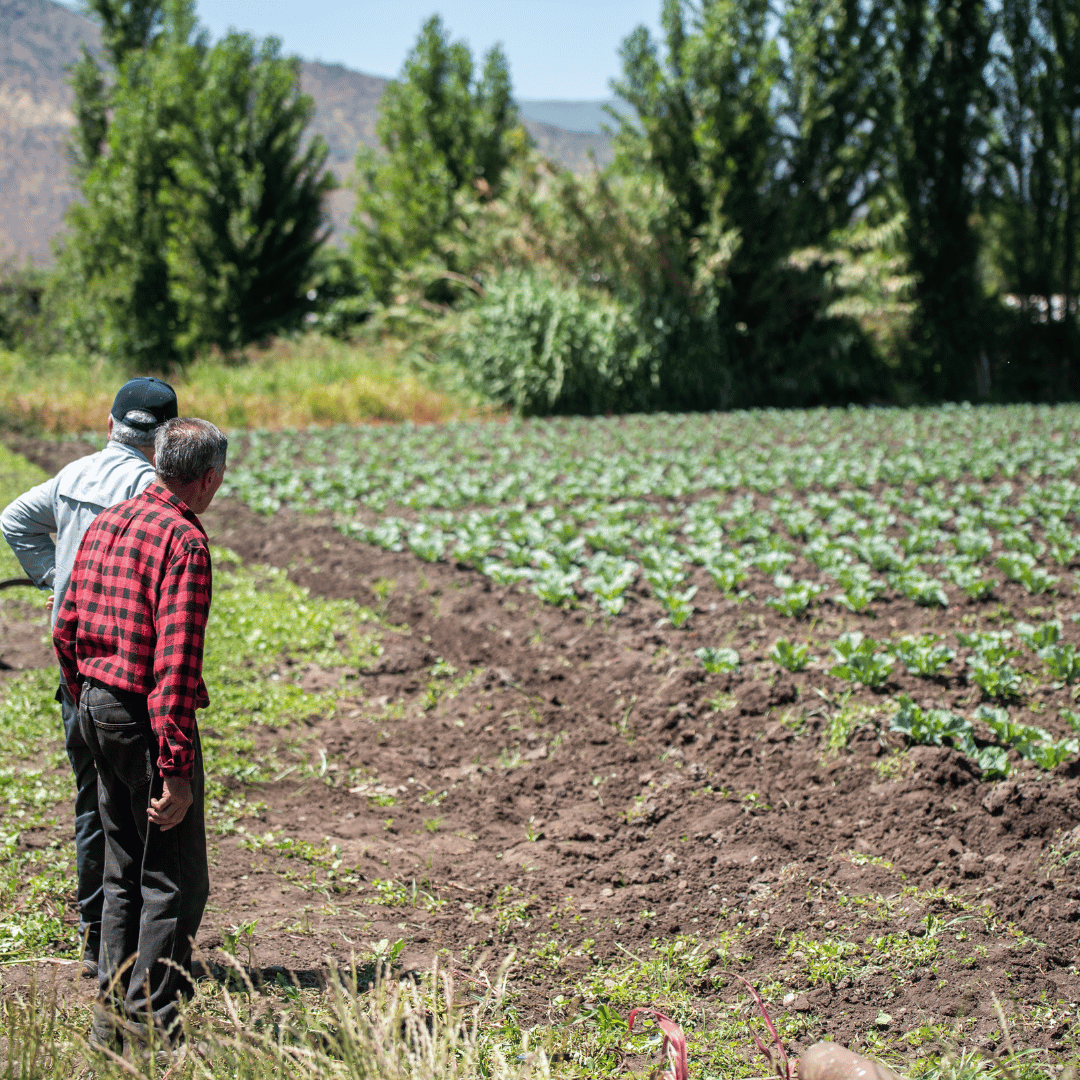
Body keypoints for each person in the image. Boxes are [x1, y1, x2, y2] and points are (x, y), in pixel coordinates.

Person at [53, 417, 227, 1050]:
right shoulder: (184, 541)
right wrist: (175, 768)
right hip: (143, 717)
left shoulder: (109, 521)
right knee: (172, 880)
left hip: (95, 708)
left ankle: (110, 1025)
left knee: (122, 868)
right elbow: (175, 665)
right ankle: (151, 1030)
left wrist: (82, 696)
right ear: (208, 477)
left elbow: (64, 624)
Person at [0, 377, 178, 976]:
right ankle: (132, 950)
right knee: (137, 806)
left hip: (72, 653)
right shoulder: (150, 489)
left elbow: (14, 520)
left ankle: (95, 932)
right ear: (165, 438)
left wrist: (56, 580)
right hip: (126, 664)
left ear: (110, 424)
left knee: (90, 795)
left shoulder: (73, 474)